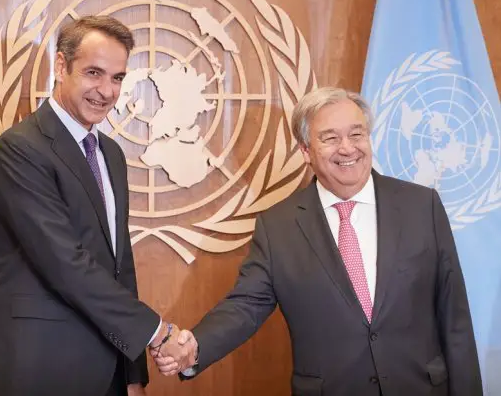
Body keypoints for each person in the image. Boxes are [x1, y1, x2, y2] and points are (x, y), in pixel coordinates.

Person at [154, 87, 483, 396]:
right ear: (306, 151)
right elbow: (245, 306)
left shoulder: (421, 206)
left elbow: (454, 315)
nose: (347, 148)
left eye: (357, 134)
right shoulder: (278, 227)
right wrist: (195, 347)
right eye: (330, 138)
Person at [0, 16, 183, 396]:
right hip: (42, 369)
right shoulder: (21, 149)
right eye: (94, 73)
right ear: (61, 67)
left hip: (109, 370)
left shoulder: (111, 154)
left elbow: (120, 269)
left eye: (117, 78)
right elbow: (65, 263)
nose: (106, 91)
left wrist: (133, 374)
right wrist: (158, 333)